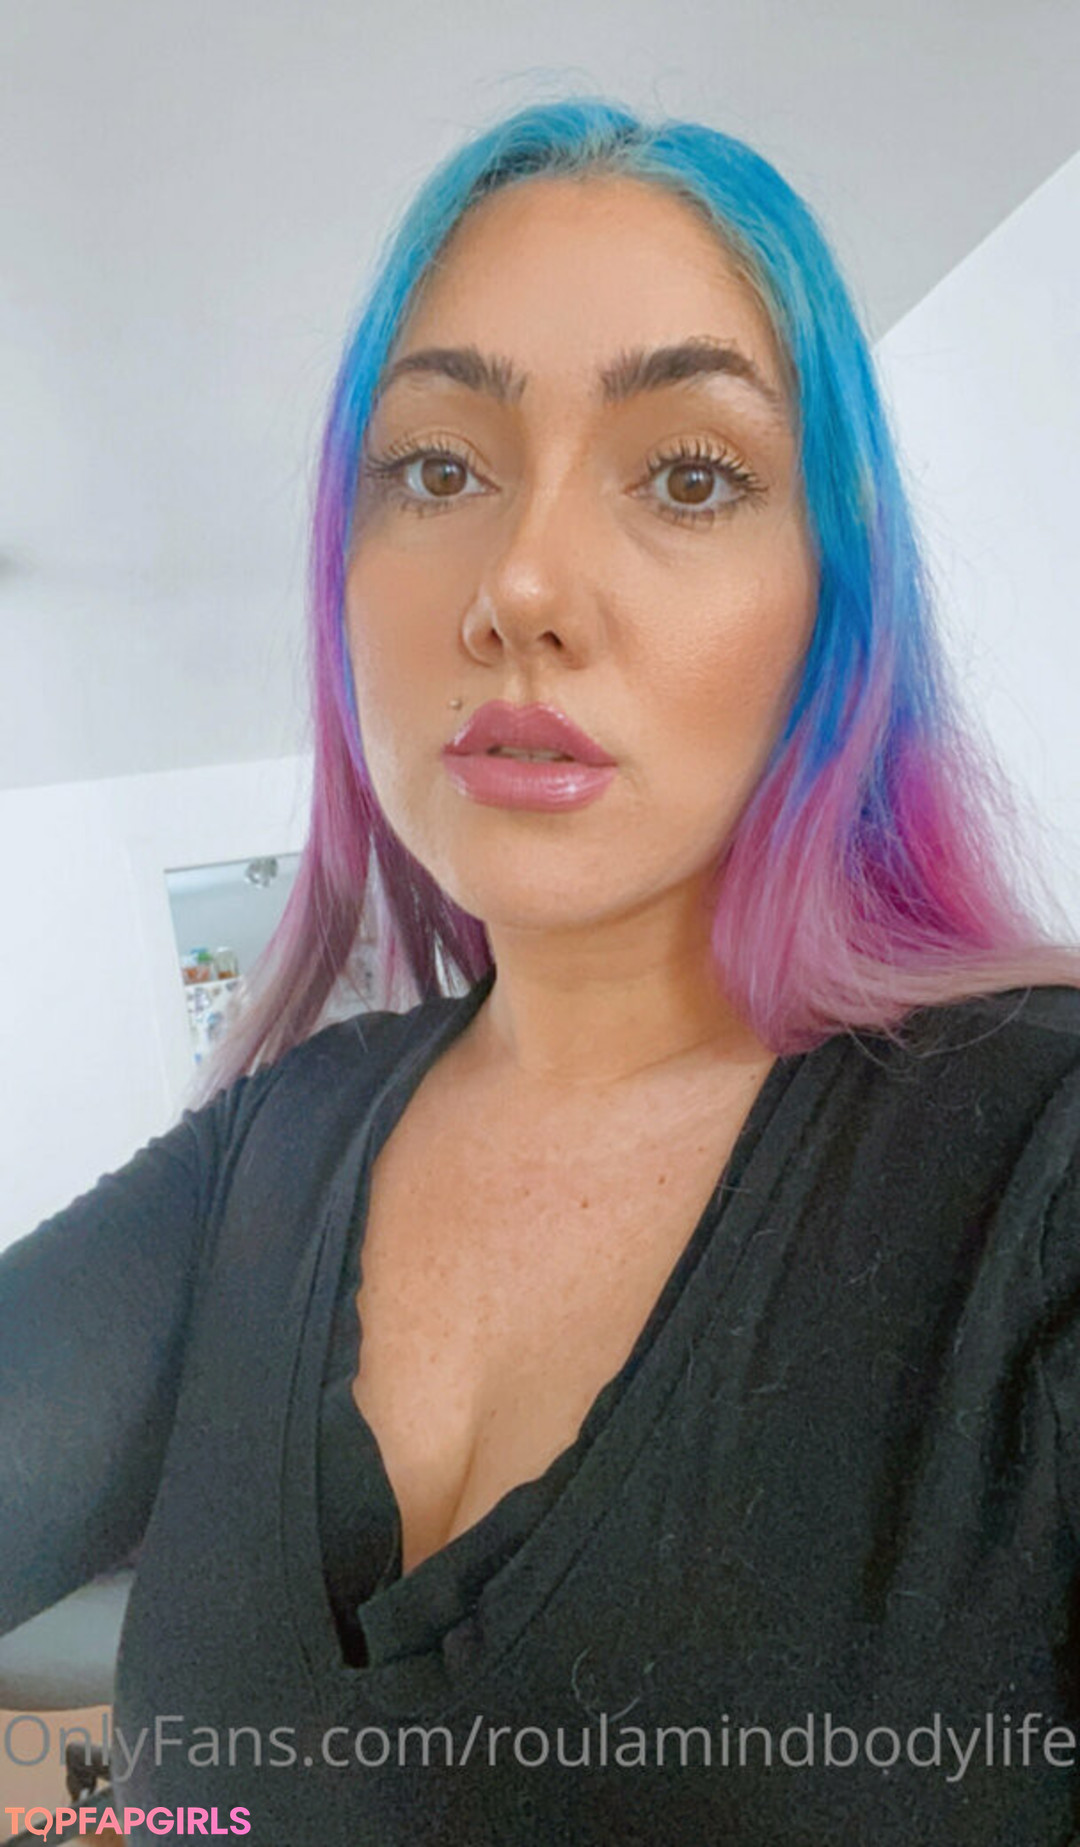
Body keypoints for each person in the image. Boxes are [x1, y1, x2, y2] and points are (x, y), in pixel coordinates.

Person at [3, 95, 1080, 1846]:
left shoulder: (1040, 1162)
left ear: (836, 595)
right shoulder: (261, 1157)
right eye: (439, 470)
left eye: (691, 474)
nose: (519, 583)